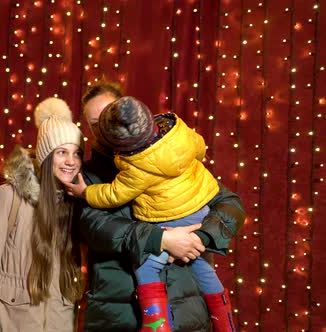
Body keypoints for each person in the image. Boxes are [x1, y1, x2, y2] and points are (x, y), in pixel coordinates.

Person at [75, 81, 245, 331]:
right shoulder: (87, 176)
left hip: (188, 311)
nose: (104, 127)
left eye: (108, 115)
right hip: (119, 316)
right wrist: (162, 240)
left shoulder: (172, 161)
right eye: (95, 123)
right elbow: (97, 228)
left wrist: (199, 237)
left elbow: (229, 204)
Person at [0, 97, 84, 331]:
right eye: (62, 152)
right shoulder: (9, 197)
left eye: (76, 153)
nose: (71, 161)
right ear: (46, 156)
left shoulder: (74, 204)